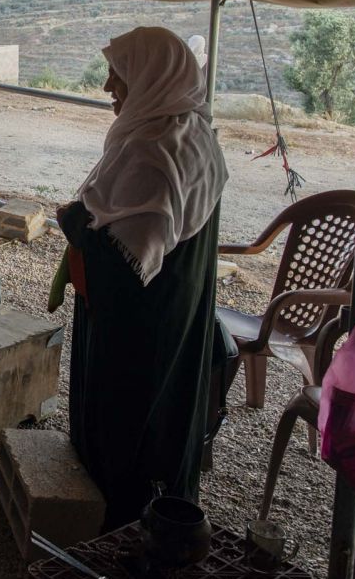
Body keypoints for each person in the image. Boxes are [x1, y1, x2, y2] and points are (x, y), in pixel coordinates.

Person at [56, 27, 228, 529]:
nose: (109, 85)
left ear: (153, 76)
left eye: (120, 74)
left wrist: (74, 222)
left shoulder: (156, 151)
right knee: (167, 405)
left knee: (130, 412)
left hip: (142, 319)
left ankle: (121, 512)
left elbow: (128, 262)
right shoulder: (195, 134)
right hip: (181, 301)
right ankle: (163, 501)